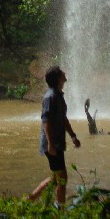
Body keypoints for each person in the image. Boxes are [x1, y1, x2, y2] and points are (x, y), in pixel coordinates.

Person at [30, 65, 80, 206]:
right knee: (62, 178)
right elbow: (46, 121)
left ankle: (30, 199)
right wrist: (50, 144)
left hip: (57, 142)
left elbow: (63, 119)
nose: (65, 73)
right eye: (62, 72)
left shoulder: (58, 95)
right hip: (52, 144)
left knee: (55, 178)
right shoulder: (50, 97)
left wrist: (73, 136)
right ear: (58, 77)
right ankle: (60, 211)